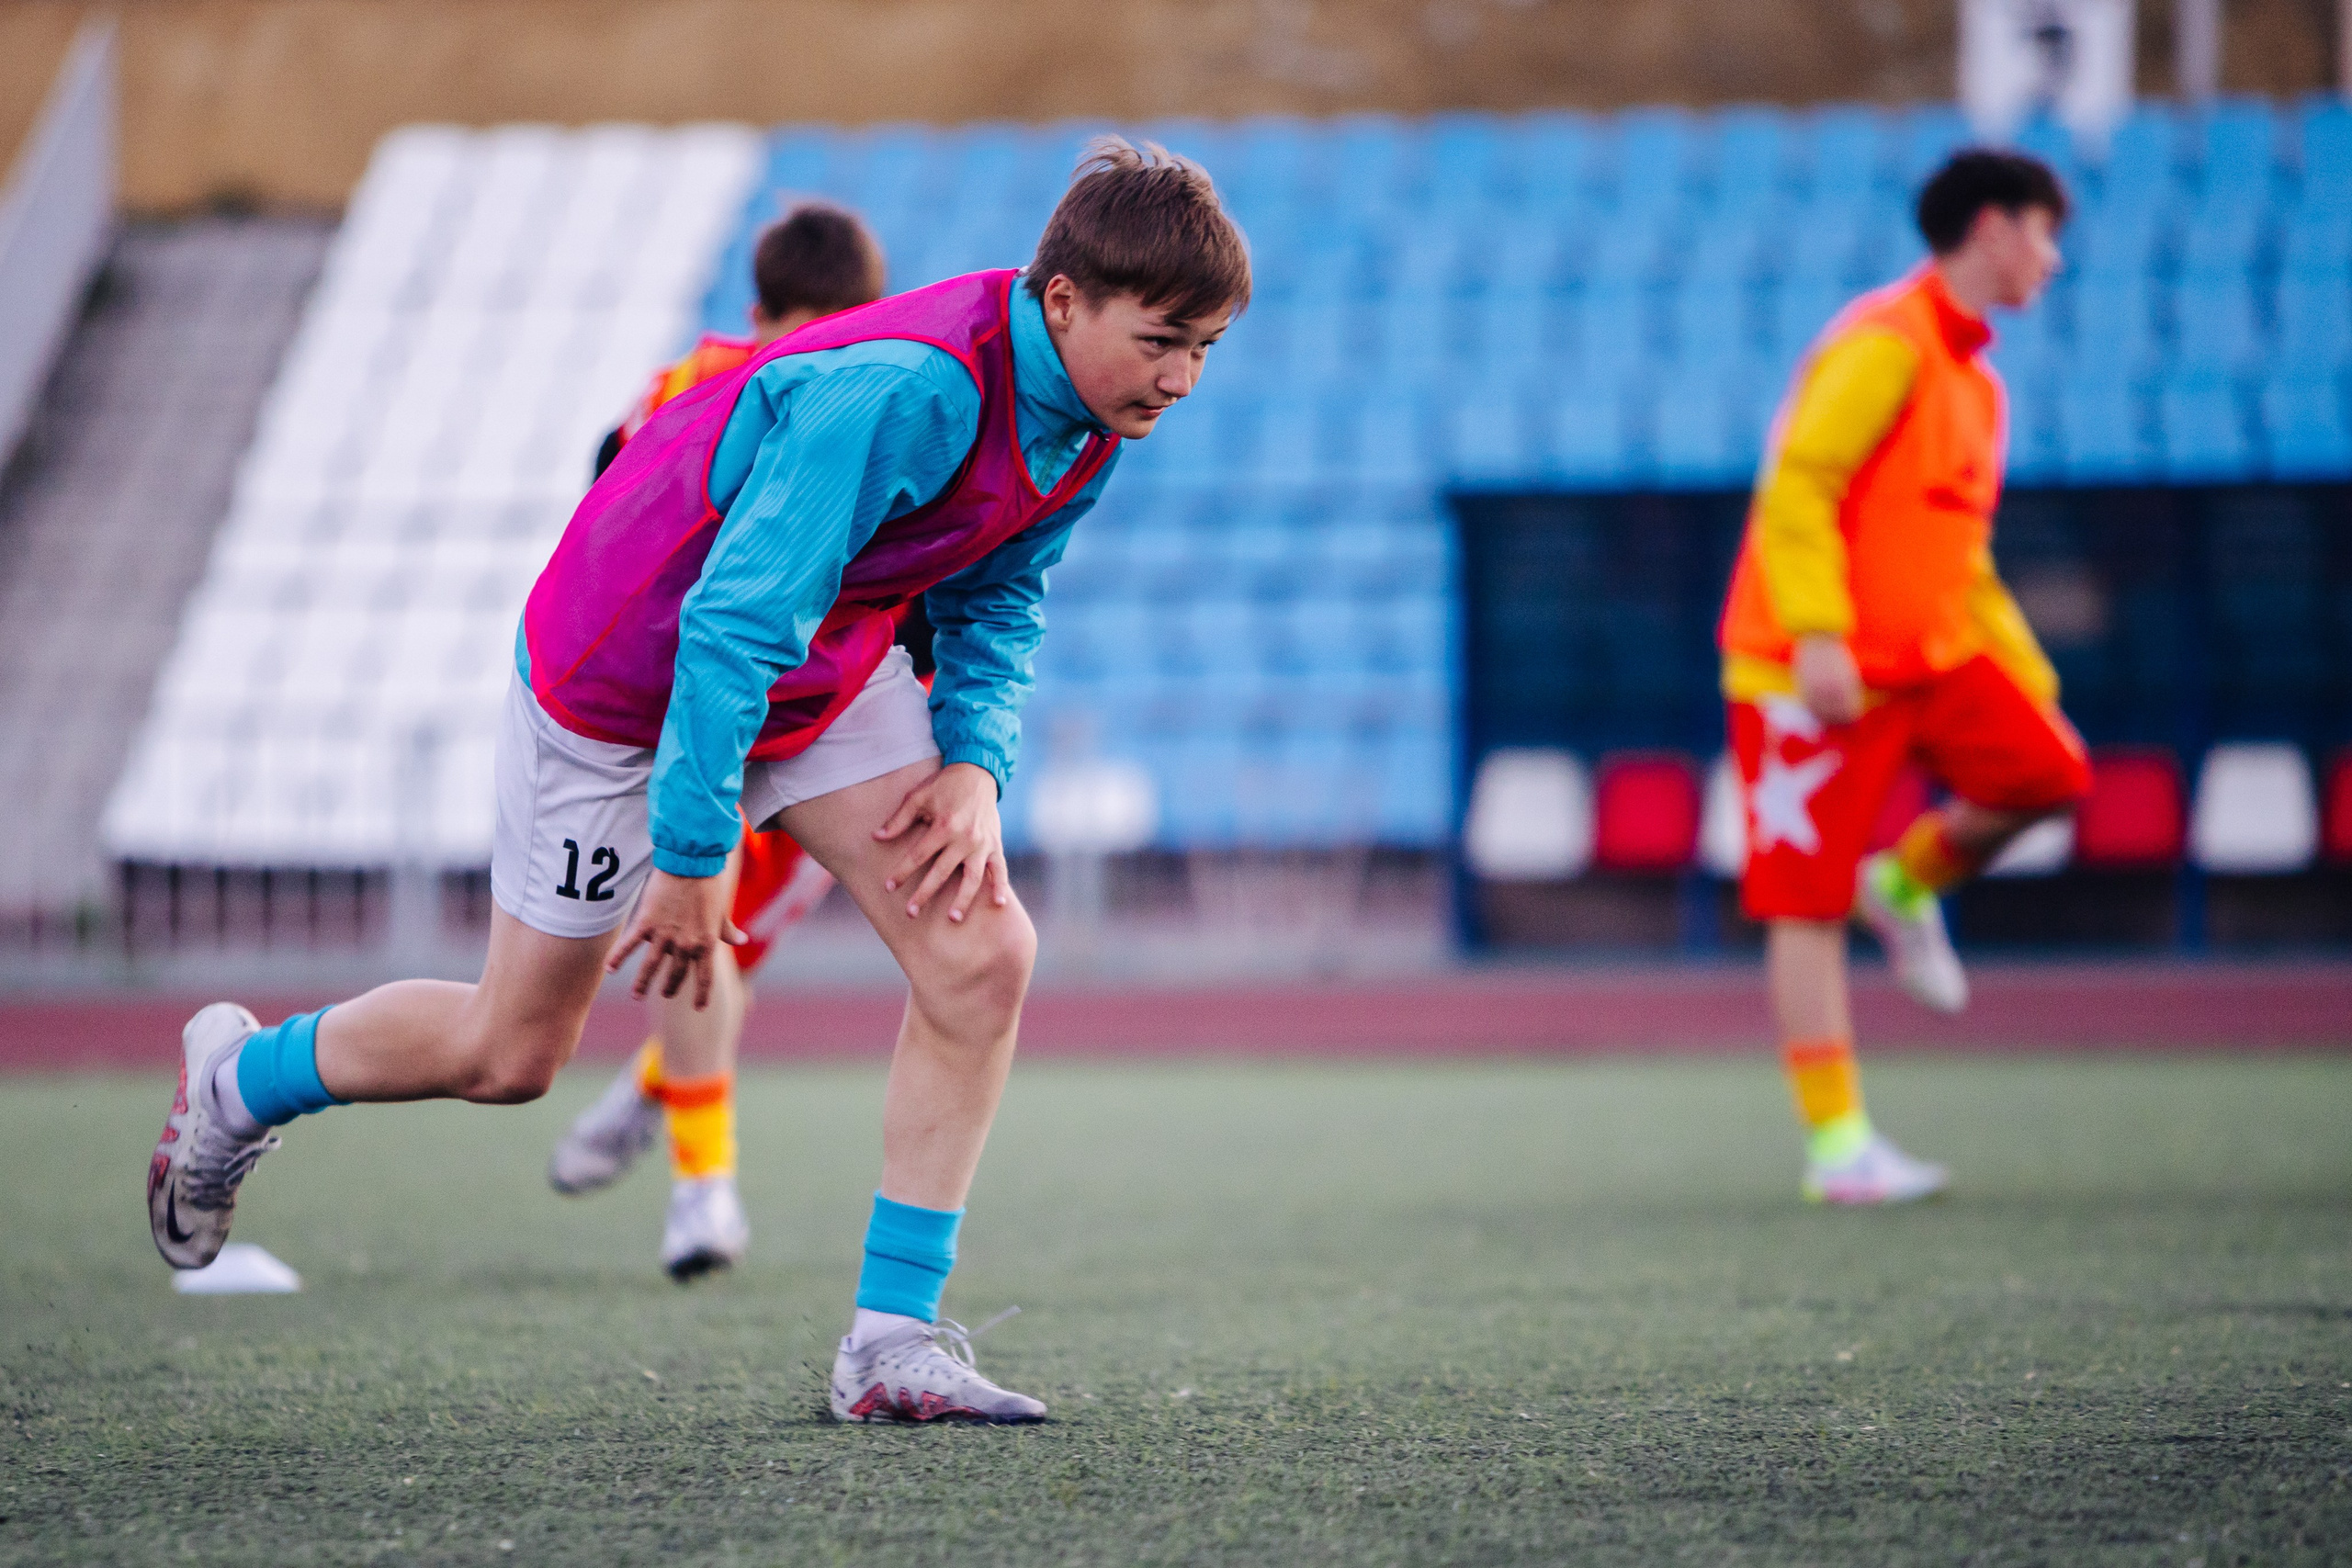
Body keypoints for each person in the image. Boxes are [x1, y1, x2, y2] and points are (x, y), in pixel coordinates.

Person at [147, 139, 1250, 1425]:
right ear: (1065, 300)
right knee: (511, 1053)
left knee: (982, 949)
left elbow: (1000, 591)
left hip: (811, 654)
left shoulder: (1090, 418)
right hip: (623, 674)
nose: (1180, 379)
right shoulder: (909, 387)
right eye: (1164, 339)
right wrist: (689, 853)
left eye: (1205, 351)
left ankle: (890, 1342)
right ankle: (235, 1078)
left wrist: (974, 766)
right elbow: (726, 626)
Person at [1717, 149, 2087, 1206]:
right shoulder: (1885, 342)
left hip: (1930, 652)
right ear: (1989, 229)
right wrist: (1820, 636)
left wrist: (2024, 673)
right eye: (2043, 232)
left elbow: (1958, 556)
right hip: (1807, 668)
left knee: (2047, 772)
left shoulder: (1977, 379)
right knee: (1804, 906)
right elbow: (1797, 491)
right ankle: (1839, 1150)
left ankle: (1908, 879)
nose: (2053, 261)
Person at [550, 201, 900, 1284]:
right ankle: (704, 1190)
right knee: (701, 944)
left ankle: (642, 1099)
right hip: (713, 715)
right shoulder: (685, 395)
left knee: (730, 953)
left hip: (822, 722)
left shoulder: (880, 396)